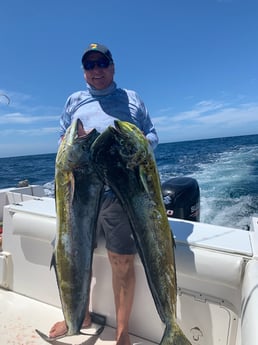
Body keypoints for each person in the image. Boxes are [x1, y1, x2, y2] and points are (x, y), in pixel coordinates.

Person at [49, 43, 159, 345]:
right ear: (84, 71)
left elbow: (151, 135)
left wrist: (136, 150)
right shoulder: (74, 101)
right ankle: (77, 315)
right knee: (70, 255)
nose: (96, 70)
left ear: (112, 66)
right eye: (90, 66)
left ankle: (122, 333)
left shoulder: (131, 99)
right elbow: (62, 137)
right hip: (79, 194)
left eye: (102, 63)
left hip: (118, 193)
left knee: (121, 260)